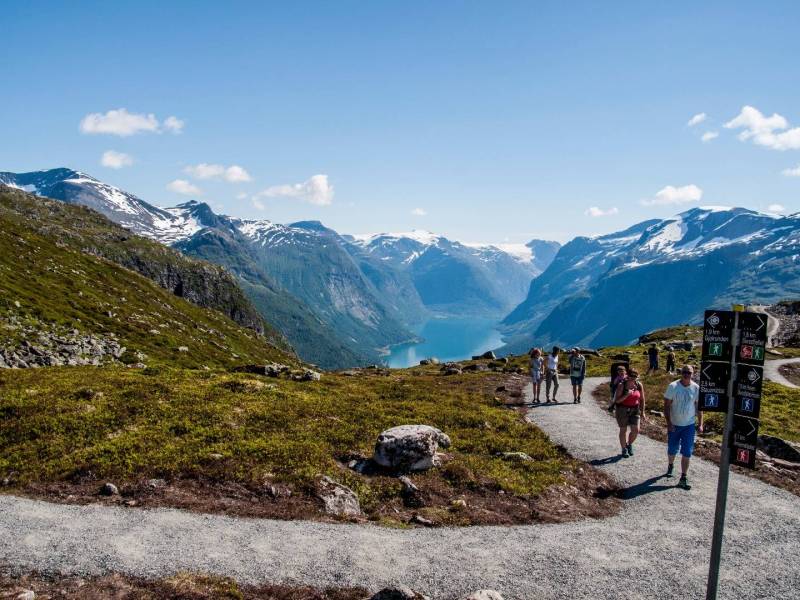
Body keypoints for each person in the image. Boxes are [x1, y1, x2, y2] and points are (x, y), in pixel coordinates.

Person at [664, 365, 704, 490]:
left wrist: (700, 423)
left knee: (687, 451)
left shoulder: (696, 388)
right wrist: (669, 423)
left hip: (689, 425)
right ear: (681, 373)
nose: (686, 374)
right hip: (675, 424)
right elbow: (666, 406)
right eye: (684, 372)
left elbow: (699, 407)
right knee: (672, 448)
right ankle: (670, 465)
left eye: (689, 372)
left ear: (693, 373)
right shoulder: (673, 386)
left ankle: (683, 477)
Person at [609, 369, 646, 457]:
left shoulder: (639, 385)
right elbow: (617, 401)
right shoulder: (622, 385)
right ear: (628, 375)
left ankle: (629, 444)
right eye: (631, 376)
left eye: (635, 376)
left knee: (636, 430)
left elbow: (642, 399)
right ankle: (624, 449)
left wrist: (643, 411)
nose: (633, 378)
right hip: (622, 409)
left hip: (635, 409)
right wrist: (627, 395)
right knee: (623, 430)